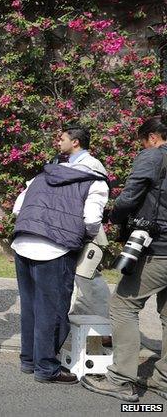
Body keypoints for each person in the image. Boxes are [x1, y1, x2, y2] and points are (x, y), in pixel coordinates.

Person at [83, 116, 167, 401]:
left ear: (152, 137)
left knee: (122, 305)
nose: (143, 147)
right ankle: (164, 380)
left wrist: (115, 216)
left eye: (143, 142)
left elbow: (130, 196)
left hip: (157, 248)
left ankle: (120, 379)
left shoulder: (153, 156)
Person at [12, 141, 108, 384]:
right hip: (56, 248)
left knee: (31, 306)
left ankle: (29, 360)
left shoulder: (39, 177)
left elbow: (17, 209)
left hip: (23, 242)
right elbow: (92, 220)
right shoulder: (95, 182)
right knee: (52, 310)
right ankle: (46, 368)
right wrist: (84, 235)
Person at [55, 125, 112, 318]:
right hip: (70, 230)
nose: (59, 142)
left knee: (87, 276)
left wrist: (88, 230)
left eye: (62, 139)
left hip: (86, 231)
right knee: (74, 279)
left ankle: (105, 324)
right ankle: (79, 326)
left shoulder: (91, 165)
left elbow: (92, 203)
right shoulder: (68, 164)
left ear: (75, 141)